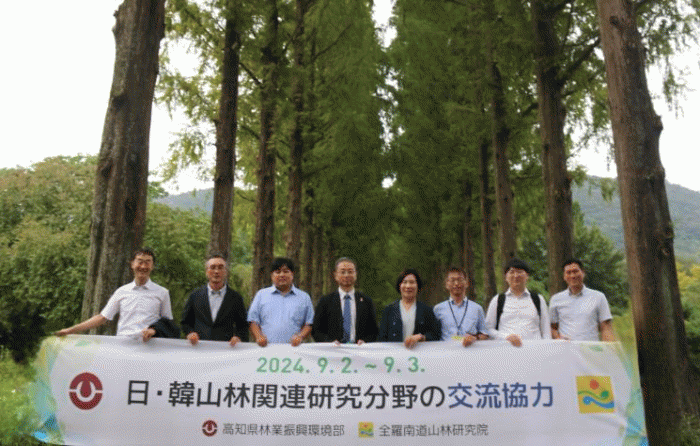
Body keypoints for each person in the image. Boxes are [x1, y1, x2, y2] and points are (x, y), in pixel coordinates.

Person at [55, 248, 173, 341]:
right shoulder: (121, 291)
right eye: (140, 262)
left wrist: (153, 330)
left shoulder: (162, 292)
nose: (143, 266)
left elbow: (167, 323)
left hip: (150, 347)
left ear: (152, 266)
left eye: (147, 262)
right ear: (132, 264)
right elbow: (102, 318)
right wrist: (70, 330)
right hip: (123, 345)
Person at [180, 255, 249, 346]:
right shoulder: (195, 296)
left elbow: (243, 325)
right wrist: (190, 333)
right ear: (206, 271)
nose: (216, 271)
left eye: (220, 268)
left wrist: (238, 337)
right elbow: (185, 322)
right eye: (212, 267)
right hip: (199, 348)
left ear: (226, 272)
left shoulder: (236, 298)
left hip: (225, 349)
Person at [484, 258, 551, 347]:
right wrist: (506, 336)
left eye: (520, 272)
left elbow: (546, 330)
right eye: (512, 272)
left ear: (527, 276)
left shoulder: (538, 299)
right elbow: (488, 329)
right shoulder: (498, 300)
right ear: (506, 277)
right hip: (506, 350)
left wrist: (547, 348)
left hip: (534, 350)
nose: (516, 276)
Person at [248, 257, 314, 347]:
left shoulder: (304, 297)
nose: (282, 275)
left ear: (292, 274)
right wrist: (258, 336)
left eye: (286, 271)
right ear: (272, 275)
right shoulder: (261, 295)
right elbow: (253, 321)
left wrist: (300, 336)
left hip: (295, 349)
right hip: (265, 349)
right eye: (278, 272)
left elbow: (309, 323)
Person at [312, 257, 379, 344]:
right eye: (343, 272)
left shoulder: (366, 301)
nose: (346, 275)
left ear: (356, 274)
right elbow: (316, 331)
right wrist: (330, 342)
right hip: (333, 350)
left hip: (359, 350)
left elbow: (374, 331)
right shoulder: (325, 301)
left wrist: (365, 341)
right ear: (335, 275)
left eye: (350, 272)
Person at [549, 258, 615, 341]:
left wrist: (610, 347)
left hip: (591, 347)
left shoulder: (598, 297)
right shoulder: (556, 299)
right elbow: (553, 328)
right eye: (568, 272)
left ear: (583, 272)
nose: (572, 276)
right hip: (566, 347)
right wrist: (558, 338)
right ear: (564, 276)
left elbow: (606, 327)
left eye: (575, 271)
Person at [378, 269, 441, 349]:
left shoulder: (426, 310)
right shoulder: (389, 310)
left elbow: (435, 335)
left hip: (419, 354)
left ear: (418, 286)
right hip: (394, 354)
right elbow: (381, 338)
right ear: (399, 286)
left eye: (412, 282)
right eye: (404, 282)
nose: (408, 286)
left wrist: (421, 337)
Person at [433, 267, 488, 346]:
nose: (456, 283)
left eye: (460, 280)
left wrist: (475, 338)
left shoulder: (477, 309)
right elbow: (433, 335)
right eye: (452, 280)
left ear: (466, 283)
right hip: (446, 351)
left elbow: (485, 334)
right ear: (446, 284)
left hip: (470, 350)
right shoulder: (438, 309)